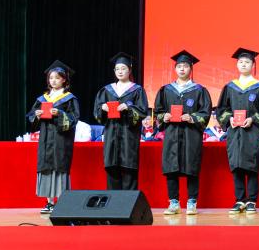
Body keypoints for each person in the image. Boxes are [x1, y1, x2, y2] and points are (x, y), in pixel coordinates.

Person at [154, 50, 212, 215]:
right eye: (179, 66)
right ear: (175, 69)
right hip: (171, 134)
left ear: (191, 69)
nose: (182, 69)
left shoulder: (200, 90)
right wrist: (163, 116)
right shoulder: (166, 90)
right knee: (171, 168)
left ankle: (192, 202)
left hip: (191, 134)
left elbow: (205, 112)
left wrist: (192, 117)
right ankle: (174, 203)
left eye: (185, 66)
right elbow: (157, 112)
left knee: (191, 167)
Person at [215, 48, 259, 214]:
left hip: (252, 131)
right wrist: (229, 119)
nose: (244, 64)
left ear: (253, 65)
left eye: (247, 62)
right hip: (234, 131)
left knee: (251, 164)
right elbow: (222, 109)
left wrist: (253, 119)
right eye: (241, 62)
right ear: (237, 65)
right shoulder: (230, 87)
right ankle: (239, 200)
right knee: (236, 164)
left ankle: (252, 200)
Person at [27, 60, 80, 214]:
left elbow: (74, 118)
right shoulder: (43, 98)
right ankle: (49, 202)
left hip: (61, 139)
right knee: (46, 168)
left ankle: (62, 202)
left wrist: (60, 114)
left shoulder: (69, 98)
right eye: (51, 78)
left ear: (64, 79)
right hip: (45, 139)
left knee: (59, 168)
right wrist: (36, 115)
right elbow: (31, 117)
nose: (53, 81)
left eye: (57, 78)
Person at [93, 52, 148, 190]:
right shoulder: (107, 90)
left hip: (129, 135)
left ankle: (130, 201)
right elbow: (97, 113)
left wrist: (129, 108)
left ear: (129, 70)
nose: (120, 71)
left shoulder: (137, 90)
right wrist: (102, 108)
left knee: (129, 169)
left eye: (123, 68)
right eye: (117, 69)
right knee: (112, 168)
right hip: (111, 135)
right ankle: (113, 201)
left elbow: (142, 111)